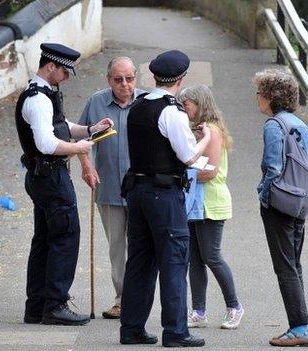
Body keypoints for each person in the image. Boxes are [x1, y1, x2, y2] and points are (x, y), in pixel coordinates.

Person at [15, 43, 112, 326]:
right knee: (65, 237)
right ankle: (56, 305)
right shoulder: (38, 99)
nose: (68, 77)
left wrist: (91, 129)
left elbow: (61, 125)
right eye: (65, 72)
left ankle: (37, 306)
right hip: (51, 177)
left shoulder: (43, 94)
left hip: (43, 177)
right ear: (50, 67)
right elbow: (46, 143)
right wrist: (79, 147)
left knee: (45, 240)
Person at [119, 50, 210, 347]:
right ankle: (175, 331)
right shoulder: (172, 111)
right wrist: (205, 140)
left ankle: (131, 328)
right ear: (180, 79)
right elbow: (187, 156)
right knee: (173, 261)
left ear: (155, 77)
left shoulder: (138, 105)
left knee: (140, 261)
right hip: (164, 193)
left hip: (137, 190)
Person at [77, 56, 146, 319]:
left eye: (129, 78)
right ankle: (121, 299)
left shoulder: (147, 103)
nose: (124, 84)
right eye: (118, 80)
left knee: (140, 246)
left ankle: (139, 297)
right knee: (117, 247)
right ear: (109, 80)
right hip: (108, 188)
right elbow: (80, 135)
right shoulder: (96, 102)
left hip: (142, 188)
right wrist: (86, 165)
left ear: (136, 78)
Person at [253, 68, 308, 346]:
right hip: (300, 202)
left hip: (280, 203)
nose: (257, 98)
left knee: (285, 267)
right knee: (294, 264)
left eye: (259, 93)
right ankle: (300, 324)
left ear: (269, 96)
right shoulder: (299, 124)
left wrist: (264, 196)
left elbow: (273, 167)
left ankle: (300, 329)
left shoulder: (273, 125)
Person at [176, 85, 244, 330]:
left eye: (188, 104)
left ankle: (234, 306)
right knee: (195, 260)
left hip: (211, 201)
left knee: (212, 256)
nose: (184, 108)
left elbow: (210, 171)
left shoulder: (212, 131)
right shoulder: (197, 130)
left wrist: (181, 175)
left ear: (200, 103)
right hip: (195, 202)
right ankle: (199, 311)